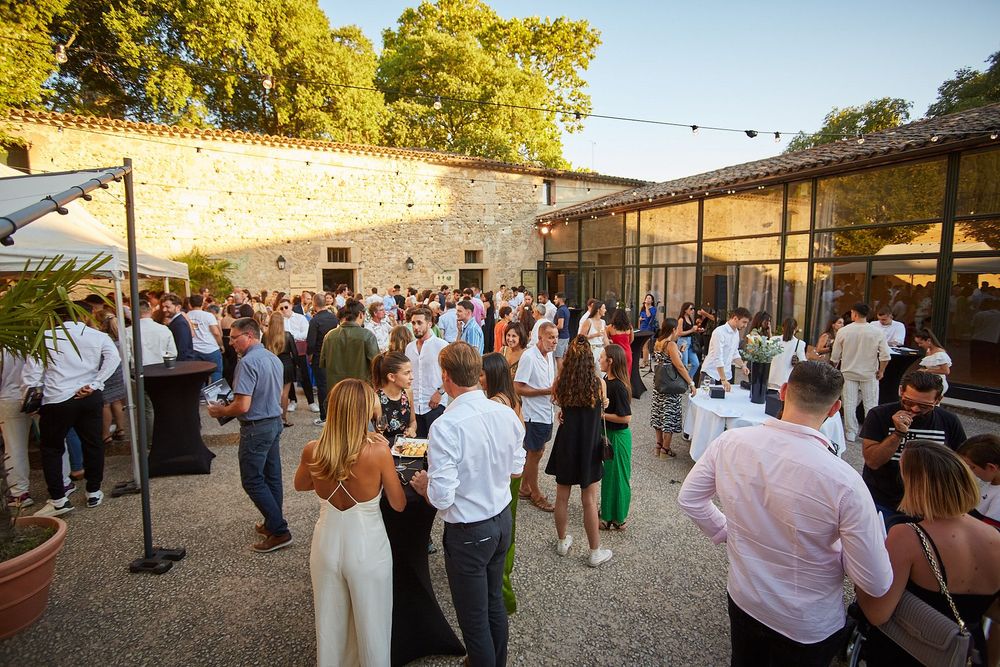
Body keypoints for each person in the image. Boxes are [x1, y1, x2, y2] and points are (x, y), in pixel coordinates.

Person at [679, 361, 893, 667]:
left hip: (745, 597)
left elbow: (690, 499)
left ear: (783, 391)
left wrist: (725, 530)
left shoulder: (730, 442)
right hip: (805, 621)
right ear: (835, 409)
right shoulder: (845, 481)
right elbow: (875, 581)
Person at [409, 343, 525, 667]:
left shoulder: (446, 426)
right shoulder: (505, 412)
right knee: (493, 605)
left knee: (474, 623)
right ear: (479, 375)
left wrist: (424, 486)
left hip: (470, 531)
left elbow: (443, 497)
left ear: (446, 378)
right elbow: (517, 467)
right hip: (501, 520)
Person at [855, 440, 1000, 667]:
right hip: (966, 651)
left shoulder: (908, 536)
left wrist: (860, 572)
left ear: (916, 485)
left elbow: (877, 613)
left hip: (911, 648)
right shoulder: (995, 538)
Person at [294, 379, 405, 667]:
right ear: (364, 412)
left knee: (330, 626)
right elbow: (398, 503)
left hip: (327, 543)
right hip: (367, 545)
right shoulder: (378, 452)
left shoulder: (312, 450)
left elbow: (301, 484)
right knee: (373, 627)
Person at [26, 303, 121, 517]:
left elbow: (31, 374)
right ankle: (94, 491)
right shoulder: (95, 335)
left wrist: (34, 393)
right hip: (88, 395)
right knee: (93, 443)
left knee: (52, 448)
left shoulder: (45, 337)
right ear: (83, 315)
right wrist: (96, 383)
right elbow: (114, 358)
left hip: (57, 398)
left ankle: (59, 499)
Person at [207, 317, 292, 552]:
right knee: (272, 475)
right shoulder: (272, 358)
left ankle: (279, 529)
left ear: (250, 336)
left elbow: (242, 406)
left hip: (256, 427)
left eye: (235, 338)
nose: (232, 342)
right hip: (273, 422)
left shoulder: (247, 363)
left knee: (252, 480)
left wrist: (220, 410)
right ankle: (273, 523)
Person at [861, 370, 968, 528]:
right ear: (901, 391)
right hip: (884, 500)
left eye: (925, 405)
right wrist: (898, 434)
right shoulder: (879, 415)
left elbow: (962, 465)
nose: (915, 409)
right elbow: (873, 461)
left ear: (938, 400)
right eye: (908, 402)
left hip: (930, 506)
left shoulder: (948, 420)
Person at [545, 336, 613, 567]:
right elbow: (603, 406)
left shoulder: (561, 382)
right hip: (589, 445)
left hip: (566, 443)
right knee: (589, 500)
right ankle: (595, 551)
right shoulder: (598, 384)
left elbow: (559, 405)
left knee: (562, 496)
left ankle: (562, 541)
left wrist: (561, 413)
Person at [480, 352, 523, 615]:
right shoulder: (512, 398)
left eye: (482, 374)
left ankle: (501, 592)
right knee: (509, 530)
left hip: (504, 476)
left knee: (499, 533)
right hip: (511, 473)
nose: (479, 379)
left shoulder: (497, 405)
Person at [831, 303, 891, 442]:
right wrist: (881, 370)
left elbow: (835, 356)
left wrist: (834, 367)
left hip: (848, 371)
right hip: (869, 372)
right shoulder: (876, 331)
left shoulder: (844, 331)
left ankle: (850, 432)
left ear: (854, 313)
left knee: (849, 403)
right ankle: (871, 432)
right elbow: (885, 356)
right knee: (871, 403)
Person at [514, 321, 557, 513]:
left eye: (556, 337)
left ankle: (524, 487)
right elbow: (518, 387)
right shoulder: (529, 357)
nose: (554, 341)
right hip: (534, 415)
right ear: (540, 338)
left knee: (538, 452)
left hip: (546, 412)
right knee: (534, 454)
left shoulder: (550, 355)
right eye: (550, 337)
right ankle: (535, 493)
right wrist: (546, 391)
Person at [650, 318, 697, 458]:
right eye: (677, 329)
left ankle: (658, 446)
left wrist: (680, 350)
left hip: (659, 384)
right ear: (672, 329)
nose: (678, 331)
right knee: (669, 417)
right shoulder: (670, 344)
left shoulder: (658, 342)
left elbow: (665, 360)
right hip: (670, 386)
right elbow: (679, 366)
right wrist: (691, 383)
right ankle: (665, 449)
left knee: (659, 415)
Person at [598, 345, 632, 531]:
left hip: (618, 436)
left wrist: (600, 416)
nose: (599, 359)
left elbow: (626, 417)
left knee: (618, 477)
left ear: (610, 361)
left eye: (602, 357)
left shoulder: (618, 385)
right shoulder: (605, 380)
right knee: (609, 476)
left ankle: (618, 517)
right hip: (609, 434)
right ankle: (607, 512)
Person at [405, 307, 448, 439]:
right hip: (413, 406)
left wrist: (439, 393)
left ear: (429, 324)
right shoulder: (409, 347)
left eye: (419, 323)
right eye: (413, 323)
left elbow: (451, 374)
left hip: (434, 405)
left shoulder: (442, 346)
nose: (415, 327)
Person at [320, 299, 379, 388]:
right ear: (360, 314)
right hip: (361, 389)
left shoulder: (329, 336)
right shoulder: (367, 335)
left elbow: (323, 363)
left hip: (336, 389)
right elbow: (376, 364)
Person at [279, 298, 317, 414]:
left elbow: (305, 333)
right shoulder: (280, 320)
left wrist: (291, 337)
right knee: (288, 377)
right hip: (286, 351)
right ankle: (293, 401)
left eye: (286, 307)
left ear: (290, 306)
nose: (284, 310)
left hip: (299, 350)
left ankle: (311, 402)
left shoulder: (300, 318)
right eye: (281, 308)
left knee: (304, 376)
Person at [702, 307, 751, 391]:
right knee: (705, 400)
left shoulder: (736, 333)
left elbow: (734, 353)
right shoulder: (719, 332)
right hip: (711, 373)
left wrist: (742, 366)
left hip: (725, 375)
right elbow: (718, 357)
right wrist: (723, 379)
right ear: (735, 318)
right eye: (744, 322)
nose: (745, 326)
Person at [371, 351, 416, 441]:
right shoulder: (375, 399)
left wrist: (411, 429)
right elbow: (362, 430)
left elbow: (413, 421)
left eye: (411, 372)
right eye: (406, 373)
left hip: (406, 449)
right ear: (391, 377)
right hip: (384, 451)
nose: (412, 377)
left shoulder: (408, 393)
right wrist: (374, 436)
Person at [306, 299, 338, 427]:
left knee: (322, 387)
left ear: (314, 305)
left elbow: (311, 342)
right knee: (333, 386)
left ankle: (324, 416)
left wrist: (309, 355)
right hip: (334, 356)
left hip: (319, 357)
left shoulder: (315, 320)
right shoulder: (334, 318)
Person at [958, 434, 1000, 528]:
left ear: (991, 467)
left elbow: (989, 535)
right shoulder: (993, 483)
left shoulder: (998, 499)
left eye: (971, 467)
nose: (967, 471)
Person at [264, 311, 296, 428]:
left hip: (271, 365)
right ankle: (283, 418)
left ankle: (272, 417)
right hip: (286, 365)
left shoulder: (265, 336)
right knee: (284, 393)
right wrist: (296, 366)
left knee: (272, 392)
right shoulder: (287, 335)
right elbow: (295, 353)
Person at [187, 294, 224, 383]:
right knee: (216, 372)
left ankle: (200, 395)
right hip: (211, 348)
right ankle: (216, 394)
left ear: (190, 304)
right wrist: (221, 345)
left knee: (199, 376)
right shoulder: (208, 316)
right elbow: (216, 332)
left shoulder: (186, 316)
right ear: (203, 304)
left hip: (194, 349)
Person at [767, 317, 808, 390]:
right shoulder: (799, 343)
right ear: (795, 329)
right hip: (786, 380)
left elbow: (767, 357)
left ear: (782, 328)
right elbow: (803, 363)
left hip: (771, 377)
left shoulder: (773, 340)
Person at [913, 327, 952, 394]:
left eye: (921, 343)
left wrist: (926, 371)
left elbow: (946, 371)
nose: (919, 345)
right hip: (929, 382)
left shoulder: (940, 354)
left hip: (938, 383)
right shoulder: (928, 350)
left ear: (928, 340)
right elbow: (926, 366)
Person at [160, 293, 194, 361]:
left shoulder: (180, 323)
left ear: (178, 307)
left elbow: (182, 348)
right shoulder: (177, 321)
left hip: (183, 364)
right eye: (163, 307)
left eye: (167, 307)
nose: (164, 310)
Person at [675, 302, 702, 378]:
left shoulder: (690, 318)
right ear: (685, 309)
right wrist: (691, 330)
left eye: (693, 309)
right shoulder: (681, 319)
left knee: (696, 363)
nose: (693, 310)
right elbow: (679, 333)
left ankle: (688, 379)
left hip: (690, 342)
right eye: (691, 309)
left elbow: (690, 330)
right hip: (683, 342)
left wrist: (696, 330)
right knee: (684, 364)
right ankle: (685, 381)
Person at [580, 300, 608, 366]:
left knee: (601, 372)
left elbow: (605, 338)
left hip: (601, 349)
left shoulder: (603, 322)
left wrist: (609, 350)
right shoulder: (588, 321)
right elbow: (581, 337)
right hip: (590, 349)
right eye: (603, 308)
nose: (605, 310)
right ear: (598, 310)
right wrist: (595, 335)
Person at [606, 307, 634, 373]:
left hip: (615, 353)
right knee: (626, 374)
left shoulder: (610, 327)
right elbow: (631, 340)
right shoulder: (629, 327)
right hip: (627, 352)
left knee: (616, 373)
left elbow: (606, 340)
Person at [638, 294, 658, 368]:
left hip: (648, 328)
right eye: (647, 298)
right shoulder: (642, 309)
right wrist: (639, 322)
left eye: (649, 298)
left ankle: (644, 361)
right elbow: (640, 318)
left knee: (645, 345)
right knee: (644, 346)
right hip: (642, 328)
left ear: (652, 300)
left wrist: (646, 307)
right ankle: (645, 361)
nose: (648, 299)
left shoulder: (653, 309)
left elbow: (649, 315)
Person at [553, 293, 571, 373]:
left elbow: (560, 325)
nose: (554, 301)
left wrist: (552, 329)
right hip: (566, 336)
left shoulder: (560, 310)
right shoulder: (566, 309)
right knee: (564, 357)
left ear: (560, 299)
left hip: (561, 337)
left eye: (556, 299)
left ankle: (561, 377)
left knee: (558, 357)